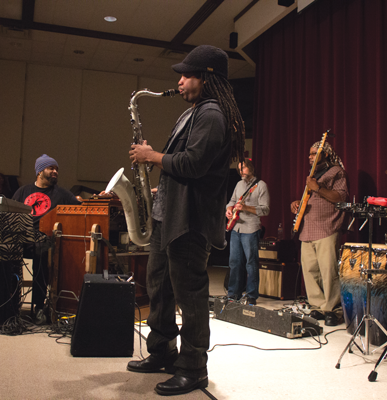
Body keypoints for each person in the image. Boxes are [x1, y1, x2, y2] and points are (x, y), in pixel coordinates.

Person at [125, 45, 245, 396]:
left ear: (207, 77)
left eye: (186, 75)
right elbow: (178, 160)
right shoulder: (192, 113)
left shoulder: (213, 115)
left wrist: (153, 156)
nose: (179, 82)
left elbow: (193, 164)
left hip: (190, 220)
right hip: (170, 215)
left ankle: (193, 368)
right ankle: (162, 351)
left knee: (189, 294)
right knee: (158, 284)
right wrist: (156, 158)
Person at [12, 154, 80, 324]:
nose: (55, 171)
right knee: (4, 252)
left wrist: (90, 199)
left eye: (56, 169)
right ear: (40, 171)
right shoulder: (23, 191)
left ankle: (38, 306)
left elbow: (80, 208)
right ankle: (10, 303)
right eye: (51, 168)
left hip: (44, 240)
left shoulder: (62, 193)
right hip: (23, 237)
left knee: (42, 251)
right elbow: (11, 212)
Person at [290, 141, 348, 326]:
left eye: (314, 153)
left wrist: (318, 188)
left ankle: (333, 309)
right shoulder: (313, 175)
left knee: (328, 270)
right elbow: (311, 197)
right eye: (309, 154)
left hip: (327, 227)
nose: (310, 157)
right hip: (308, 228)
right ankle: (317, 307)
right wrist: (297, 205)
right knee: (310, 271)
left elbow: (340, 197)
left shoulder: (336, 171)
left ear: (325, 154)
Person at [225, 159, 270, 305]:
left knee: (251, 262)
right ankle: (233, 294)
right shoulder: (238, 184)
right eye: (239, 169)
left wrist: (246, 208)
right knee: (234, 262)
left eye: (243, 168)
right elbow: (231, 201)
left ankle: (251, 295)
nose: (241, 171)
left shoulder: (260, 185)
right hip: (236, 227)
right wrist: (229, 210)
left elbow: (265, 209)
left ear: (250, 168)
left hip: (251, 228)